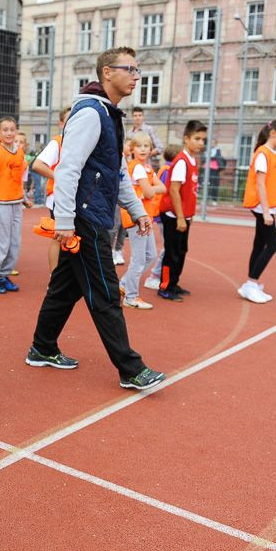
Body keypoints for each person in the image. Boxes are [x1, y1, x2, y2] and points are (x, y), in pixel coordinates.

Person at [27, 47, 165, 391]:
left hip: (94, 214)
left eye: (138, 69)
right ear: (107, 73)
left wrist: (136, 211)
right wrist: (65, 221)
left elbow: (116, 172)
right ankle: (130, 369)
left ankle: (42, 347)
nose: (137, 76)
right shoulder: (90, 113)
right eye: (129, 69)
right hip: (85, 218)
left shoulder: (110, 114)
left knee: (64, 287)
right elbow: (69, 168)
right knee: (105, 292)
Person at [239, 119, 276, 304]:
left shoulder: (274, 154)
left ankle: (250, 284)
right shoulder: (262, 154)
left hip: (268, 207)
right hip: (262, 207)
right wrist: (267, 212)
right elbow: (260, 184)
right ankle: (251, 283)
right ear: (273, 134)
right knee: (273, 245)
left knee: (260, 243)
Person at [158, 120, 207, 302]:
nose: (201, 143)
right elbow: (174, 190)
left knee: (181, 250)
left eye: (203, 140)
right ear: (186, 139)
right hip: (173, 215)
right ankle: (165, 287)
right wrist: (180, 217)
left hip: (183, 215)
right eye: (197, 139)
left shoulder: (193, 160)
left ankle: (174, 283)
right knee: (172, 252)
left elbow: (190, 191)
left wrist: (188, 215)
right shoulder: (181, 161)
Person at [0, 116, 31, 293]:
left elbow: (18, 179)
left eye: (12, 129)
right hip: (1, 204)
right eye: (5, 130)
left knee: (14, 243)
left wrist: (24, 197)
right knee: (1, 243)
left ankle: (3, 275)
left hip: (16, 203)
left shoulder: (19, 151)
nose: (9, 133)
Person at [120, 133, 166, 309]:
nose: (143, 149)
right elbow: (150, 192)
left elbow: (162, 187)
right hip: (137, 217)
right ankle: (131, 296)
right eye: (139, 146)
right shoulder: (137, 168)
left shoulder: (146, 168)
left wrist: (151, 188)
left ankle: (124, 284)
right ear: (132, 149)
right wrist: (152, 188)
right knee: (139, 259)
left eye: (147, 146)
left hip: (145, 216)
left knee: (150, 255)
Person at [30, 108, 69, 272]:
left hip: (76, 198)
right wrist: (59, 177)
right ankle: (54, 276)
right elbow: (37, 165)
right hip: (59, 198)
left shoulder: (82, 142)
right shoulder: (57, 142)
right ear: (61, 123)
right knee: (58, 237)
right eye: (68, 119)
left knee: (71, 237)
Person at [144, 144, 180, 292]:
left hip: (161, 211)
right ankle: (154, 275)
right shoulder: (168, 170)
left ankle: (160, 273)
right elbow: (168, 191)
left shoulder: (166, 168)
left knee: (169, 246)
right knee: (167, 247)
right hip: (162, 212)